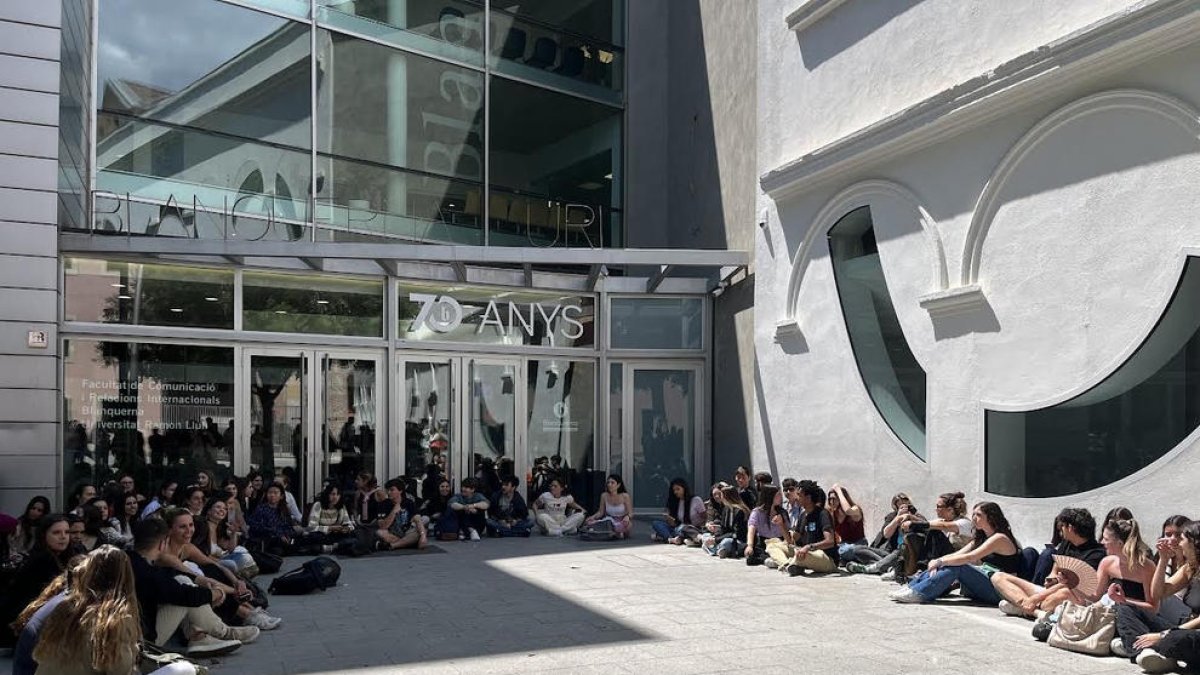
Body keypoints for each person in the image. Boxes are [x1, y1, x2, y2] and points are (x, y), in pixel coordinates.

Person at [18, 545, 197, 675]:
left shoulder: (65, 605)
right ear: (127, 577)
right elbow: (120, 668)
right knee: (185, 669)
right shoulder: (113, 617)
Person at [127, 518, 254, 657]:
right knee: (185, 593)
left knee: (184, 581)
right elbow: (184, 594)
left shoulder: (131, 561)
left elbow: (170, 576)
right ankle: (222, 633)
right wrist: (215, 594)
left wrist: (202, 583)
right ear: (162, 543)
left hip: (131, 634)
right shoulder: (146, 572)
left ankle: (200, 637)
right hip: (142, 643)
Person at [157, 507, 281, 631]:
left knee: (213, 569)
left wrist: (237, 582)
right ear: (170, 530)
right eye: (182, 527)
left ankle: (251, 611)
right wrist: (235, 591)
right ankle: (247, 614)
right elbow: (197, 578)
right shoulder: (166, 556)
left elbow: (217, 565)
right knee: (207, 585)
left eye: (191, 525)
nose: (189, 530)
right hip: (171, 597)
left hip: (194, 587)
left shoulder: (186, 547)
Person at [889, 501, 1021, 604]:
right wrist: (937, 561)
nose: (974, 518)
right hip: (986, 582)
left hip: (1002, 591)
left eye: (979, 515)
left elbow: (970, 557)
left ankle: (919, 593)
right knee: (951, 562)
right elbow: (958, 554)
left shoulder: (1000, 538)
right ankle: (912, 587)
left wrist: (941, 561)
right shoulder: (981, 538)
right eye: (973, 514)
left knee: (959, 566)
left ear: (991, 517)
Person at [1115, 520, 1200, 672]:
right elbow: (1159, 593)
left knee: (1176, 639)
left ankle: (1140, 645)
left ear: (1195, 543)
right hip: (1183, 629)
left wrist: (1163, 635)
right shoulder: (1191, 567)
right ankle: (1146, 652)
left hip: (1191, 632)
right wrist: (1163, 559)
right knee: (1125, 607)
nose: (1179, 544)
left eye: (1183, 540)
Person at [993, 507, 1106, 618]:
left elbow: (1075, 586)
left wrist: (1036, 598)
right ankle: (1033, 611)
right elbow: (1055, 569)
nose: (1061, 530)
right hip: (1050, 591)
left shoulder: (1096, 554)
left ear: (1070, 528)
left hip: (1069, 594)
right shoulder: (1067, 544)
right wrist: (1051, 579)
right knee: (998, 577)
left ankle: (1023, 606)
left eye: (1062, 526)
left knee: (1062, 594)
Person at [0, 514, 74, 648]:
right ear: (44, 535)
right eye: (56, 532)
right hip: (31, 626)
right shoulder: (41, 560)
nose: (63, 537)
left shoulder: (66, 556)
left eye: (67, 532)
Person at [897, 491, 973, 581]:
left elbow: (941, 526)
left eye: (939, 507)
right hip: (945, 557)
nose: (936, 509)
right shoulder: (942, 520)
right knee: (914, 536)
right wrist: (910, 517)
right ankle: (902, 571)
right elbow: (928, 523)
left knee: (934, 531)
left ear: (950, 509)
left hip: (958, 559)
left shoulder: (964, 523)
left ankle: (923, 569)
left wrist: (913, 524)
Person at [845, 493, 923, 575]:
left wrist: (911, 517)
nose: (903, 507)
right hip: (888, 552)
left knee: (901, 549)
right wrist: (897, 519)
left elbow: (924, 525)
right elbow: (886, 534)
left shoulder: (916, 515)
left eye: (905, 503)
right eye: (900, 505)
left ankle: (871, 568)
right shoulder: (892, 516)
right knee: (858, 549)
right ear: (896, 507)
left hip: (904, 553)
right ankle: (887, 567)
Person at [246, 483, 307, 554]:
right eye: (270, 493)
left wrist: (286, 534)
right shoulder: (261, 509)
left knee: (301, 535)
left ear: (281, 496)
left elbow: (288, 525)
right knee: (278, 548)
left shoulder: (284, 509)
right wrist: (278, 534)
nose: (272, 495)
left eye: (275, 493)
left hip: (285, 536)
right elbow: (256, 526)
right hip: (269, 538)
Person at [202, 498, 256, 579]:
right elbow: (202, 553)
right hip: (209, 563)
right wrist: (218, 560)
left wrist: (233, 533)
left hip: (220, 559)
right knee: (235, 562)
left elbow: (231, 549)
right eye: (218, 507)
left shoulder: (218, 528)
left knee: (245, 555)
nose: (222, 510)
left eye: (224, 509)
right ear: (209, 511)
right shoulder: (204, 527)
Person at [376, 478, 427, 550]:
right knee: (380, 532)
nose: (388, 492)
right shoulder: (383, 504)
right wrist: (394, 511)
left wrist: (423, 535)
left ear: (400, 491)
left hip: (407, 532)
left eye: (392, 490)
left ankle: (392, 545)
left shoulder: (408, 502)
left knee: (421, 528)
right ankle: (407, 543)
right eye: (387, 490)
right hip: (393, 534)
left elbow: (417, 519)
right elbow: (383, 526)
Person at [651, 478, 706, 544]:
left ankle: (667, 537)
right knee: (656, 523)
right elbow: (676, 523)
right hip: (678, 528)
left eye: (678, 489)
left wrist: (696, 525)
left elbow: (705, 518)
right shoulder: (676, 501)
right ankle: (672, 539)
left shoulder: (696, 500)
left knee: (683, 528)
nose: (675, 492)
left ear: (684, 488)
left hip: (692, 529)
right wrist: (671, 521)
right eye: (674, 490)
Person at [703, 484, 750, 558]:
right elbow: (723, 528)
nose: (720, 498)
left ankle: (718, 550)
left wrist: (716, 540)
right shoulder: (726, 509)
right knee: (706, 538)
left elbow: (736, 533)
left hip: (739, 540)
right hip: (726, 537)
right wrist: (715, 537)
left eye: (721, 495)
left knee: (726, 542)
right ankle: (720, 550)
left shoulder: (740, 511)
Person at [582, 474, 634, 539]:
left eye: (612, 483)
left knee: (628, 525)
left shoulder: (625, 496)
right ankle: (612, 533)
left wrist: (627, 517)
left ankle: (609, 532)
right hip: (609, 521)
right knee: (590, 522)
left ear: (618, 485)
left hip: (621, 521)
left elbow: (631, 513)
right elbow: (601, 512)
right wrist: (592, 517)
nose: (609, 485)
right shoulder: (604, 495)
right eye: (608, 482)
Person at [306, 483, 356, 552]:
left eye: (338, 495)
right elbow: (311, 527)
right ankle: (334, 547)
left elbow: (349, 524)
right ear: (327, 494)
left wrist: (346, 529)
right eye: (333, 494)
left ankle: (328, 547)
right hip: (322, 535)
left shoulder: (341, 507)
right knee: (313, 537)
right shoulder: (318, 505)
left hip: (335, 535)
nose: (335, 497)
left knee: (352, 535)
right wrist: (330, 528)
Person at [745, 485, 786, 566]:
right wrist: (749, 545)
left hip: (779, 541)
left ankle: (776, 560)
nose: (780, 497)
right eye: (778, 495)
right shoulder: (757, 512)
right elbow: (751, 529)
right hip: (764, 542)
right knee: (752, 558)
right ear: (770, 496)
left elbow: (787, 530)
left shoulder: (782, 512)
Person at [827, 483, 866, 564]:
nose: (831, 502)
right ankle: (849, 559)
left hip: (858, 544)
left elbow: (848, 511)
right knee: (837, 550)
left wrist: (838, 490)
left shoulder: (855, 509)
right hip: (844, 544)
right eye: (830, 499)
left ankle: (845, 558)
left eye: (834, 499)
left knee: (847, 550)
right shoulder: (833, 513)